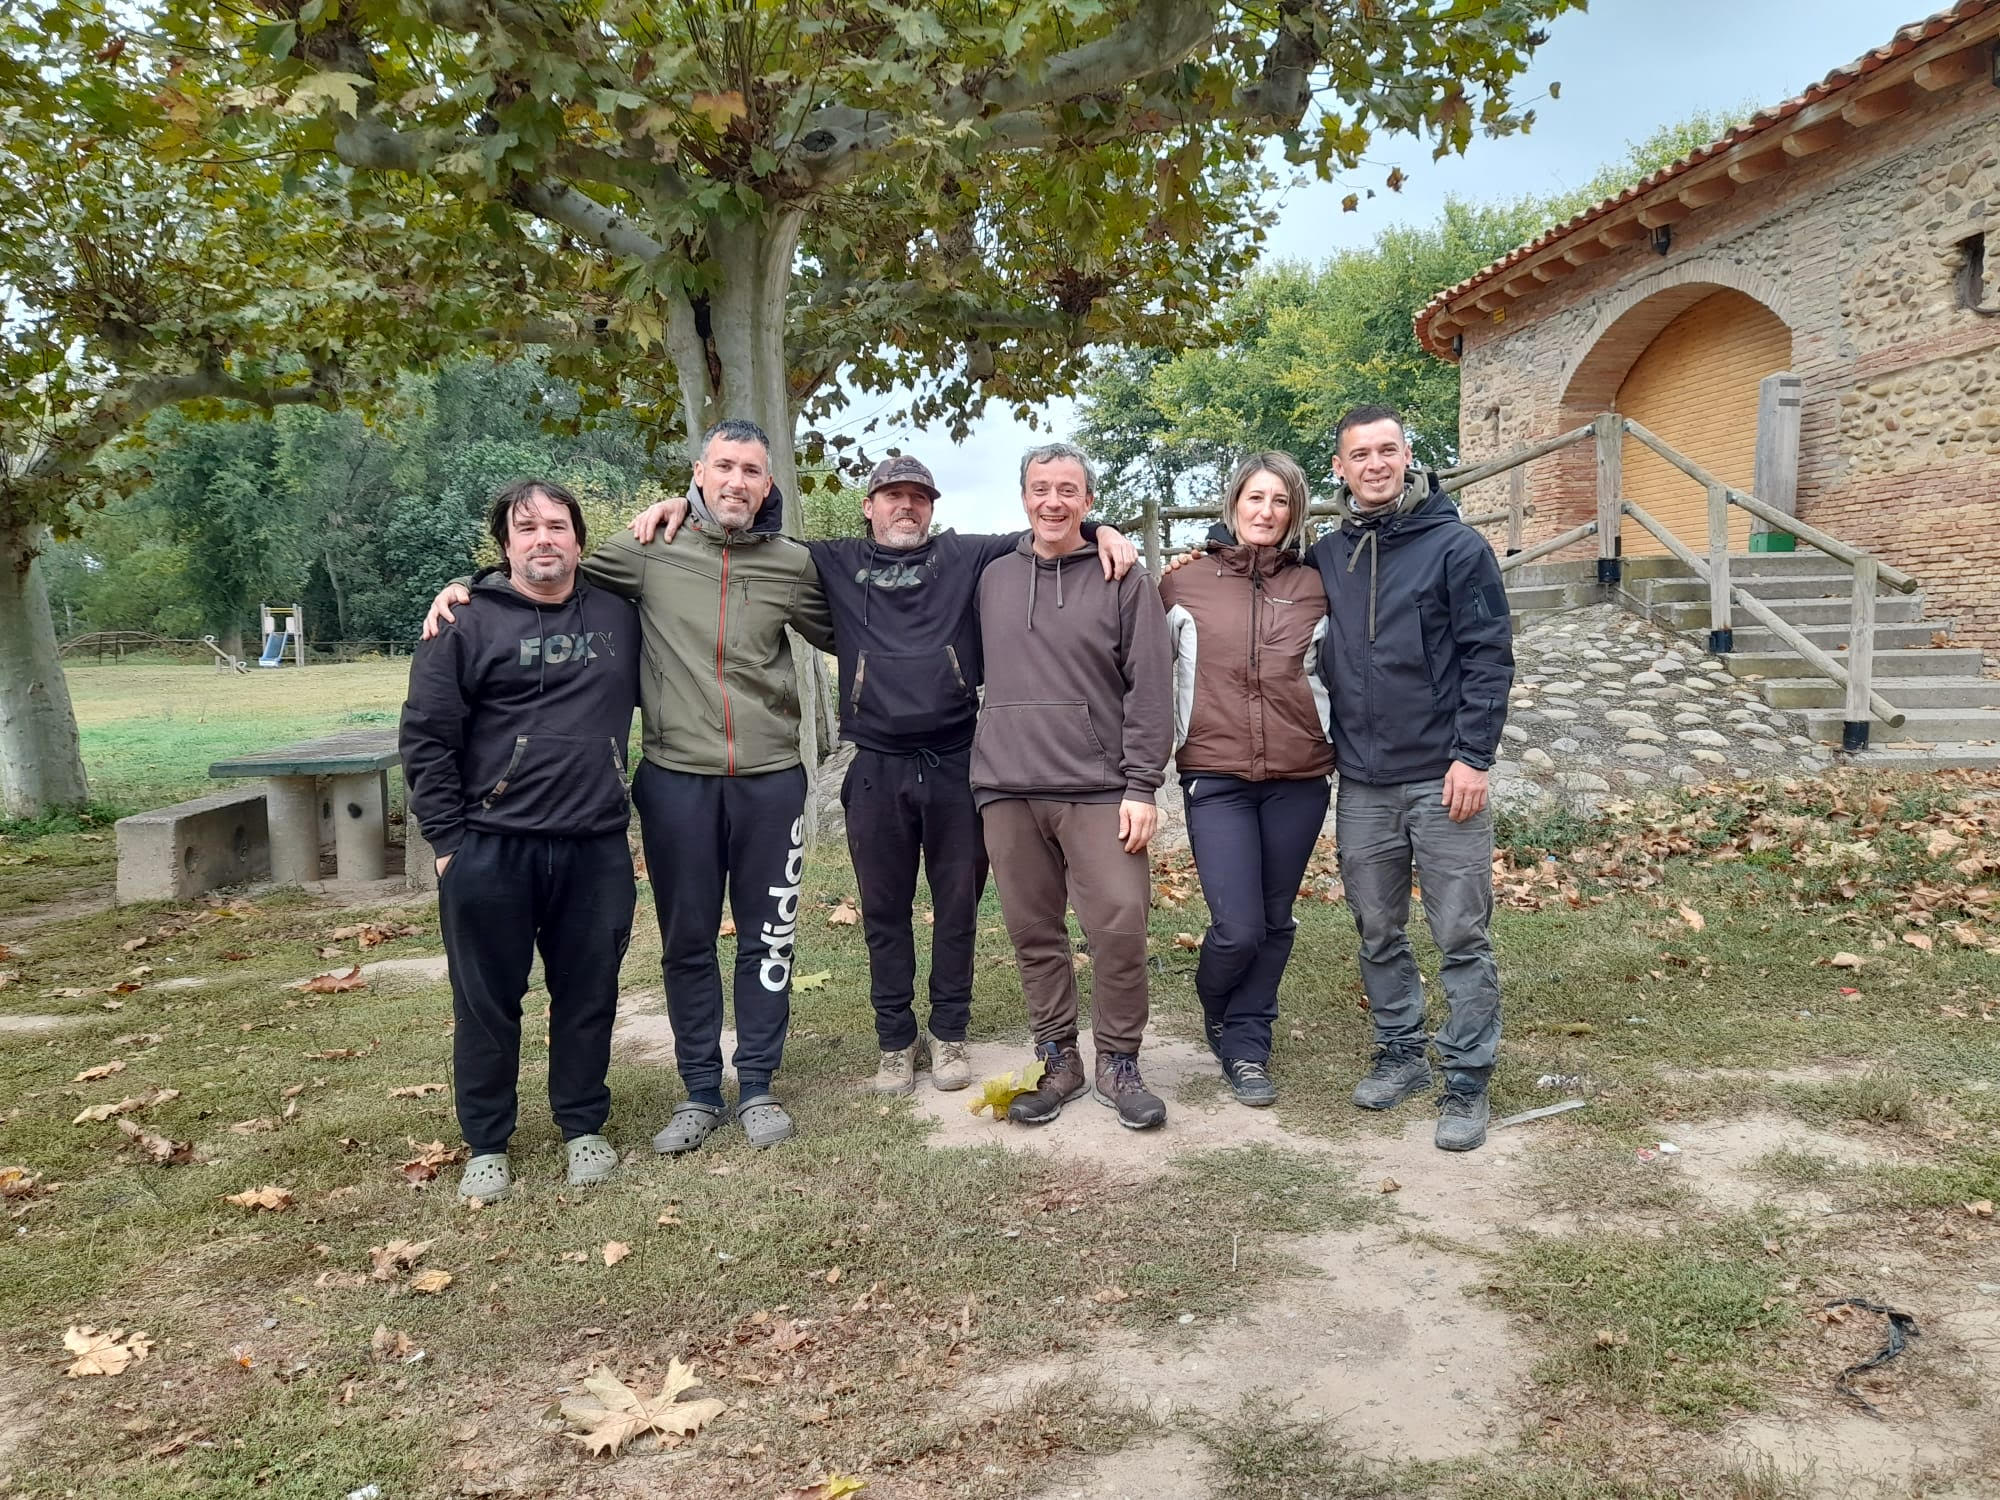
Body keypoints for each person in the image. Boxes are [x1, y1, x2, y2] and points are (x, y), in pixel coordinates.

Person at [627, 458, 1137, 1098]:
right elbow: (754, 534)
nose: (906, 508)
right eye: (892, 497)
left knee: (957, 909)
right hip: (874, 764)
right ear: (868, 506)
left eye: (918, 499)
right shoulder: (832, 561)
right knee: (883, 911)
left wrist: (1107, 529)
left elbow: (1049, 527)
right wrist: (682, 505)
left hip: (957, 761)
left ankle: (950, 1034)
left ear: (932, 508)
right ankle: (896, 1041)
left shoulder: (965, 556)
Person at [424, 419, 835, 1153]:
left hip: (772, 779)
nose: (737, 481)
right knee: (686, 939)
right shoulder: (649, 549)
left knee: (768, 937)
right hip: (676, 780)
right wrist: (469, 588)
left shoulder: (791, 565)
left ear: (769, 485)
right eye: (724, 467)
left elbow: (853, 624)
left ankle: (761, 1084)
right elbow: (543, 571)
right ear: (699, 474)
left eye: (752, 470)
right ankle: (700, 1090)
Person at [400, 479, 640, 1202]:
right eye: (526, 527)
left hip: (594, 845)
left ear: (578, 539)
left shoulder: (620, 614)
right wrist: (447, 843)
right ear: (504, 544)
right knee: (485, 1003)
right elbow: (426, 738)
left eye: (558, 526)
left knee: (588, 994)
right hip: (490, 848)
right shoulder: (465, 624)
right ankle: (486, 1142)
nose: (544, 539)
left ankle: (582, 1126)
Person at [1308, 404, 1513, 1152]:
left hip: (1441, 775)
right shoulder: (1329, 553)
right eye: (1359, 454)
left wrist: (1474, 756)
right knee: (1376, 926)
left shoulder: (1457, 548)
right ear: (1340, 466)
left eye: (1386, 450)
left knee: (1460, 930)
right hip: (1362, 781)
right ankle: (1402, 1052)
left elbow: (1490, 656)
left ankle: (1466, 1076)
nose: (1374, 464)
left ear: (1407, 455)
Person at [973, 442, 1174, 1130]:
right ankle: (1058, 1057)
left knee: (1119, 922)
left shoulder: (1123, 577)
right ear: (1022, 495)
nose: (1052, 501)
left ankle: (1119, 1060)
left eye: (1068, 490)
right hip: (1006, 785)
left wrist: (1143, 785)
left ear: (1088, 502)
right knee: (1033, 931)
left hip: (1098, 787)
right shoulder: (992, 577)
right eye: (1039, 488)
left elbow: (1151, 687)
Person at [1158, 453, 1334, 1109]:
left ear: (1295, 513)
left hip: (1299, 777)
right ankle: (1216, 999)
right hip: (1215, 775)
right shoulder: (1183, 586)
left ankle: (1247, 1043)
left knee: (1276, 919)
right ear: (1233, 505)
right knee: (1238, 928)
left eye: (1280, 501)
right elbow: (1147, 675)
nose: (1265, 512)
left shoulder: (1317, 585)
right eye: (1255, 498)